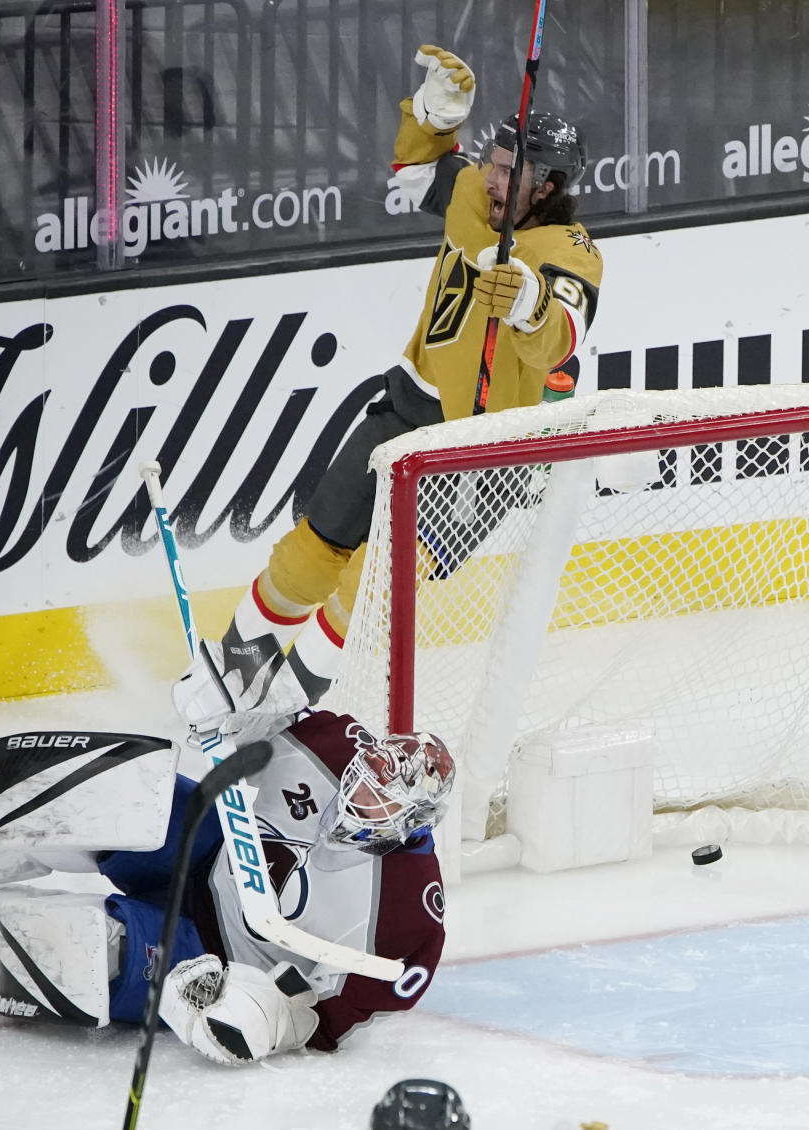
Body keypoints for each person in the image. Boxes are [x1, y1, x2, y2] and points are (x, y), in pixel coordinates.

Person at [172, 43, 604, 738]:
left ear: (547, 187)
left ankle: (284, 702)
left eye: (507, 174)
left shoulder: (571, 253)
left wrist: (528, 305)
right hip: (404, 409)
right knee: (315, 545)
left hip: (481, 452)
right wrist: (432, 118)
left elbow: (562, 334)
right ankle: (232, 665)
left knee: (372, 582)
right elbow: (416, 175)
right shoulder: (475, 192)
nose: (491, 180)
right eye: (491, 165)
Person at [0, 710, 454, 1066]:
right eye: (363, 775)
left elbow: (317, 1017)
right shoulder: (336, 742)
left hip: (215, 955)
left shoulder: (408, 923)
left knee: (90, 949)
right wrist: (229, 699)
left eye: (381, 795)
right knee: (118, 784)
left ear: (413, 821)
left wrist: (254, 1018)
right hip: (209, 846)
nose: (358, 791)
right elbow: (260, 718)